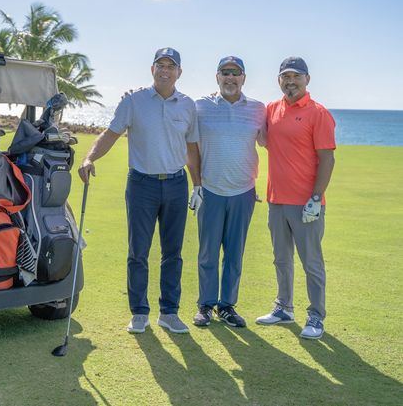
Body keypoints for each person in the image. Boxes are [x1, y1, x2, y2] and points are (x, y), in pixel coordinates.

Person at [78, 48, 200, 334]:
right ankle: (139, 312)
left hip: (175, 184)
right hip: (142, 184)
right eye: (160, 65)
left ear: (179, 72)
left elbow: (192, 148)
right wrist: (89, 158)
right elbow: (110, 134)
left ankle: (169, 312)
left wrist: (199, 184)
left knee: (173, 252)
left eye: (171, 66)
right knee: (138, 252)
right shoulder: (134, 101)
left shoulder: (187, 105)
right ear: (152, 69)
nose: (165, 70)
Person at [256, 57, 336, 340]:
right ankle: (284, 307)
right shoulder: (271, 109)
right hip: (276, 200)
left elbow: (327, 159)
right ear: (279, 80)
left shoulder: (318, 113)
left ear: (307, 80)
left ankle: (316, 315)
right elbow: (259, 136)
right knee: (281, 258)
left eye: (296, 77)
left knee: (311, 262)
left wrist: (316, 197)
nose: (291, 81)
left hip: (306, 203)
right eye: (285, 77)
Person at [189, 56, 266, 328]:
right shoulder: (200, 107)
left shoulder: (258, 109)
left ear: (243, 78)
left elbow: (274, 143)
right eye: (225, 73)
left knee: (234, 254)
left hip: (244, 192)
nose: (230, 78)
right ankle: (206, 305)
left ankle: (227, 306)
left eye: (236, 73)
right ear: (217, 77)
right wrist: (196, 184)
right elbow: (191, 148)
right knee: (208, 253)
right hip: (210, 191)